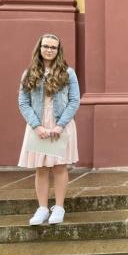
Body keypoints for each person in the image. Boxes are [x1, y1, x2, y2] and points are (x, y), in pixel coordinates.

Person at [18, 33, 81, 226]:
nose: (49, 50)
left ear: (58, 50)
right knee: (42, 168)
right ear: (39, 48)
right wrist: (36, 126)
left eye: (53, 47)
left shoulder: (68, 73)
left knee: (60, 167)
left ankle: (59, 207)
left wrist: (60, 125)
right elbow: (23, 102)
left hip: (61, 125)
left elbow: (74, 100)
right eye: (46, 46)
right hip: (37, 125)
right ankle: (43, 208)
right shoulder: (29, 73)